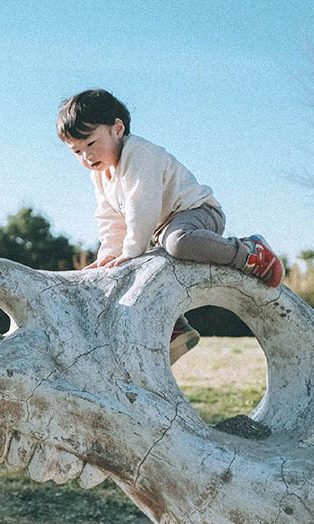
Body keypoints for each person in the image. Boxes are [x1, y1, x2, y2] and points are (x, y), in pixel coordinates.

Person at [57, 89, 284, 365]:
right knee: (125, 266)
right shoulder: (102, 175)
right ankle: (174, 328)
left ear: (117, 128)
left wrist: (130, 250)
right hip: (161, 230)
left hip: (197, 212)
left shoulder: (138, 154)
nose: (86, 157)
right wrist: (109, 253)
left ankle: (249, 252)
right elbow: (109, 218)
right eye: (77, 151)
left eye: (91, 143)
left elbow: (143, 207)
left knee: (177, 243)